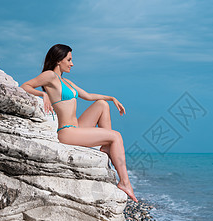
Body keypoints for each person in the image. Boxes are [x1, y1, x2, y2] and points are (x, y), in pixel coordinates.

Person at [21, 44, 138, 203]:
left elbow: (88, 96)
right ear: (58, 61)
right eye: (69, 60)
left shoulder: (66, 81)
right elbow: (25, 86)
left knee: (102, 104)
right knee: (116, 136)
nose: (72, 63)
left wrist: (112, 98)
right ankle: (125, 182)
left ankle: (106, 147)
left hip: (76, 127)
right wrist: (43, 94)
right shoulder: (49, 76)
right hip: (66, 132)